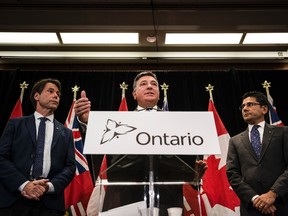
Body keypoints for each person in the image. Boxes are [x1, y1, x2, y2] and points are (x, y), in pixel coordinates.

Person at [75, 71, 207, 215]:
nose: (149, 87)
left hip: (168, 202)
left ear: (159, 93)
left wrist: (193, 178)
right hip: (127, 201)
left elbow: (186, 165)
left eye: (154, 84)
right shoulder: (118, 124)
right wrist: (87, 122)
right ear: (134, 94)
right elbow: (103, 157)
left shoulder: (179, 124)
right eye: (143, 84)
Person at [0, 78, 76, 216]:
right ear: (37, 96)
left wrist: (48, 187)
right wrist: (24, 184)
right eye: (50, 91)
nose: (56, 96)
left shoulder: (66, 132)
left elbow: (70, 166)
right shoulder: (16, 124)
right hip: (14, 200)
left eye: (58, 94)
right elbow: (1, 158)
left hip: (50, 204)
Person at [226, 91, 288, 215]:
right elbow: (232, 174)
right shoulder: (235, 141)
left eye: (249, 104)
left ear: (264, 109)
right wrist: (256, 199)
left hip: (281, 204)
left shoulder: (283, 133)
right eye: (242, 106)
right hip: (252, 208)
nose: (245, 109)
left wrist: (272, 194)